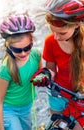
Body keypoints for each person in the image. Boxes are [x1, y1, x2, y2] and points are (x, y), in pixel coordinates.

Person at [31, 0, 84, 129]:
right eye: (53, 31)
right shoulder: (50, 42)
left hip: (80, 99)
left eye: (62, 33)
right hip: (58, 94)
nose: (56, 37)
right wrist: (46, 74)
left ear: (76, 25)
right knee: (58, 125)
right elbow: (51, 69)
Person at [0, 14, 43, 130]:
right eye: (17, 50)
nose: (23, 53)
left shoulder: (36, 55)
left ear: (32, 42)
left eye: (27, 48)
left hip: (26, 107)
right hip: (9, 109)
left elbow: (41, 73)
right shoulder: (5, 68)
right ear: (8, 47)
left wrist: (45, 76)